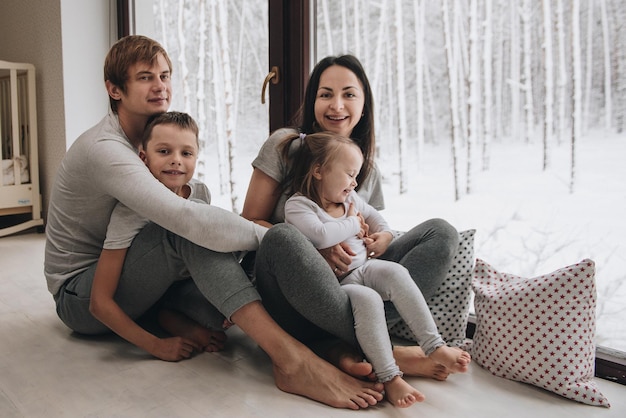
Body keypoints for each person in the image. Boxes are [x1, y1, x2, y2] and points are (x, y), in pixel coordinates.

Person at [44, 36, 384, 409]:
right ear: (114, 90)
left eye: (165, 75)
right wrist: (287, 241)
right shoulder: (106, 151)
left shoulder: (154, 141)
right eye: (145, 77)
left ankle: (361, 353)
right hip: (81, 291)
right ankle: (291, 360)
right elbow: (185, 220)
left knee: (219, 302)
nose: (160, 85)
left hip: (135, 270)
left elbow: (197, 212)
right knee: (184, 231)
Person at [243, 54, 461, 381]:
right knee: (283, 237)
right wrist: (312, 249)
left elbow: (366, 228)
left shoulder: (363, 169)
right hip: (289, 293)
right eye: (325, 94)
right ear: (312, 101)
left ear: (363, 105)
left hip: (348, 287)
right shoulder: (284, 146)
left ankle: (341, 347)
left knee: (441, 233)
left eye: (349, 94)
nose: (337, 105)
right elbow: (249, 223)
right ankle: (381, 351)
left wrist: (384, 238)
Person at [282, 131, 471, 407]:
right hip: (337, 288)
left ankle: (434, 346)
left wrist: (384, 236)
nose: (354, 182)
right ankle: (391, 376)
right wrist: (354, 224)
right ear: (319, 171)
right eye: (349, 174)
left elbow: (375, 217)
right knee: (369, 300)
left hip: (364, 269)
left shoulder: (350, 201)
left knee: (396, 273)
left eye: (356, 175)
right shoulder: (298, 206)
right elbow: (321, 235)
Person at [90, 111, 232, 361]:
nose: (176, 161)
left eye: (186, 153)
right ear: (143, 158)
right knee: (178, 222)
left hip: (178, 286)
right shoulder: (131, 209)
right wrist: (155, 346)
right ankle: (160, 316)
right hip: (139, 289)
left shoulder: (199, 191)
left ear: (196, 157)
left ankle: (170, 314)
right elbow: (99, 301)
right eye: (164, 152)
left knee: (221, 317)